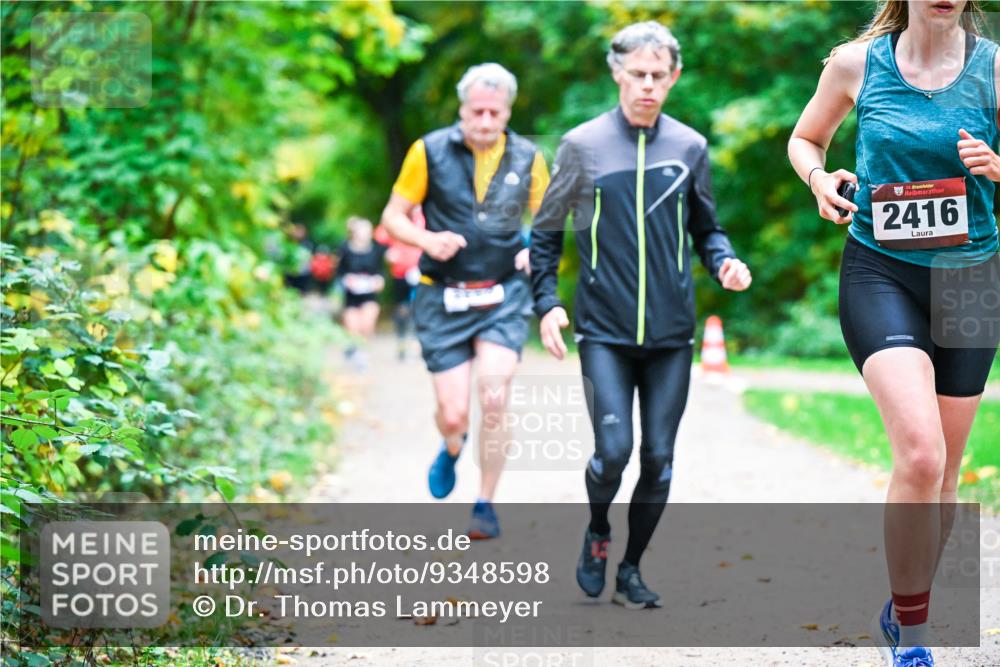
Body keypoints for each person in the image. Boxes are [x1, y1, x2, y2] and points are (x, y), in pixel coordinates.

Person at [788, 2, 1000, 665]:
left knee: (945, 474)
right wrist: (820, 179)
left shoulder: (995, 71)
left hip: (971, 279)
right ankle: (913, 638)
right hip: (881, 272)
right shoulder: (856, 64)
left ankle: (903, 603)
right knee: (921, 455)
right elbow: (805, 139)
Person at [530, 22, 752, 609]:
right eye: (637, 74)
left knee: (658, 458)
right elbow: (546, 233)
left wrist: (725, 262)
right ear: (617, 74)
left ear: (673, 77)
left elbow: (707, 229)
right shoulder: (581, 146)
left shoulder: (689, 147)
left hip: (672, 334)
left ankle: (630, 568)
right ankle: (598, 529)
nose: (648, 85)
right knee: (613, 452)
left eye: (658, 75)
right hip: (603, 331)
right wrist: (547, 304)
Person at [379, 63, 550, 538]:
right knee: (453, 413)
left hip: (502, 295)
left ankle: (485, 504)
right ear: (462, 109)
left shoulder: (528, 156)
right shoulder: (429, 151)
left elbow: (549, 220)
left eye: (495, 112)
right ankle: (453, 445)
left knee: (494, 396)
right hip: (443, 296)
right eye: (477, 111)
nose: (485, 120)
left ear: (507, 112)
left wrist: (537, 251)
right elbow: (392, 216)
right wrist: (426, 240)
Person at [374, 205, 426, 361]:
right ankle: (402, 344)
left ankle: (417, 345)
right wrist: (388, 253)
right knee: (402, 308)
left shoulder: (424, 216)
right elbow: (379, 237)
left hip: (421, 272)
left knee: (419, 308)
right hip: (400, 273)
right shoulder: (397, 215)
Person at [336, 216, 386, 370]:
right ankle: (354, 351)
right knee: (353, 327)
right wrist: (347, 280)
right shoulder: (344, 249)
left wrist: (379, 280)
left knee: (367, 324)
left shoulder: (377, 249)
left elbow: (381, 271)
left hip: (370, 294)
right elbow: (339, 273)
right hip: (351, 296)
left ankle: (363, 356)